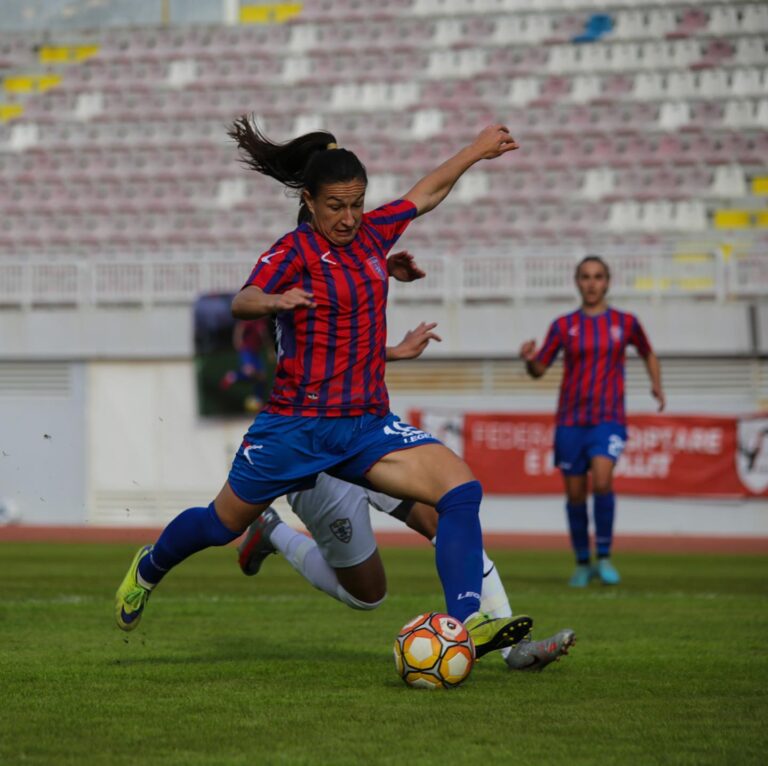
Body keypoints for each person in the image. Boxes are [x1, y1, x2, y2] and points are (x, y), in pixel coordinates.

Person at [116, 119, 532, 659]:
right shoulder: (293, 251)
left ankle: (465, 621)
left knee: (460, 492)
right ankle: (148, 569)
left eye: (356, 204)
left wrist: (475, 151)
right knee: (221, 525)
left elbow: (424, 194)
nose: (349, 217)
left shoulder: (375, 236)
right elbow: (244, 300)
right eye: (336, 205)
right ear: (309, 202)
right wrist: (275, 300)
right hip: (297, 428)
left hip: (365, 426)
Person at [236, 322, 575, 670]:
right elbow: (319, 361)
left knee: (444, 515)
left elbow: (345, 354)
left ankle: (514, 649)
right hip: (316, 458)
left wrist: (392, 351)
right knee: (366, 595)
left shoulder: (346, 280)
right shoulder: (292, 290)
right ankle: (272, 530)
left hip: (366, 439)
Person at [520, 255, 665, 587]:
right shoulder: (562, 325)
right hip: (571, 421)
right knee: (575, 495)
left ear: (607, 282)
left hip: (608, 418)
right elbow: (540, 369)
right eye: (585, 276)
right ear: (577, 282)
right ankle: (583, 563)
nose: (591, 283)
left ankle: (604, 556)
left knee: (602, 480)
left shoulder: (626, 322)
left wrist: (656, 383)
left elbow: (648, 351)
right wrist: (529, 359)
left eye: (598, 276)